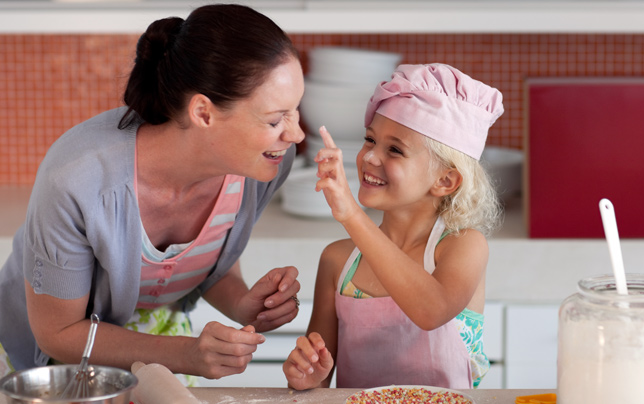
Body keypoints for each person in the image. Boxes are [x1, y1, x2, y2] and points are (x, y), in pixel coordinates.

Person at [0, 3, 305, 381]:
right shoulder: (78, 182)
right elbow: (58, 333)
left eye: (295, 111)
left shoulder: (262, 165)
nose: (296, 135)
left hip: (162, 342)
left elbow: (204, 263)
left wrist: (246, 305)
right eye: (276, 119)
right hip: (51, 358)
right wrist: (188, 354)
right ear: (203, 113)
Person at [282, 63, 504, 390]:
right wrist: (307, 376)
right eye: (370, 140)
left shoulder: (463, 246)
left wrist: (351, 215)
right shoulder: (337, 262)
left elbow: (431, 310)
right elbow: (317, 379)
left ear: (445, 180)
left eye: (395, 150)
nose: (370, 157)